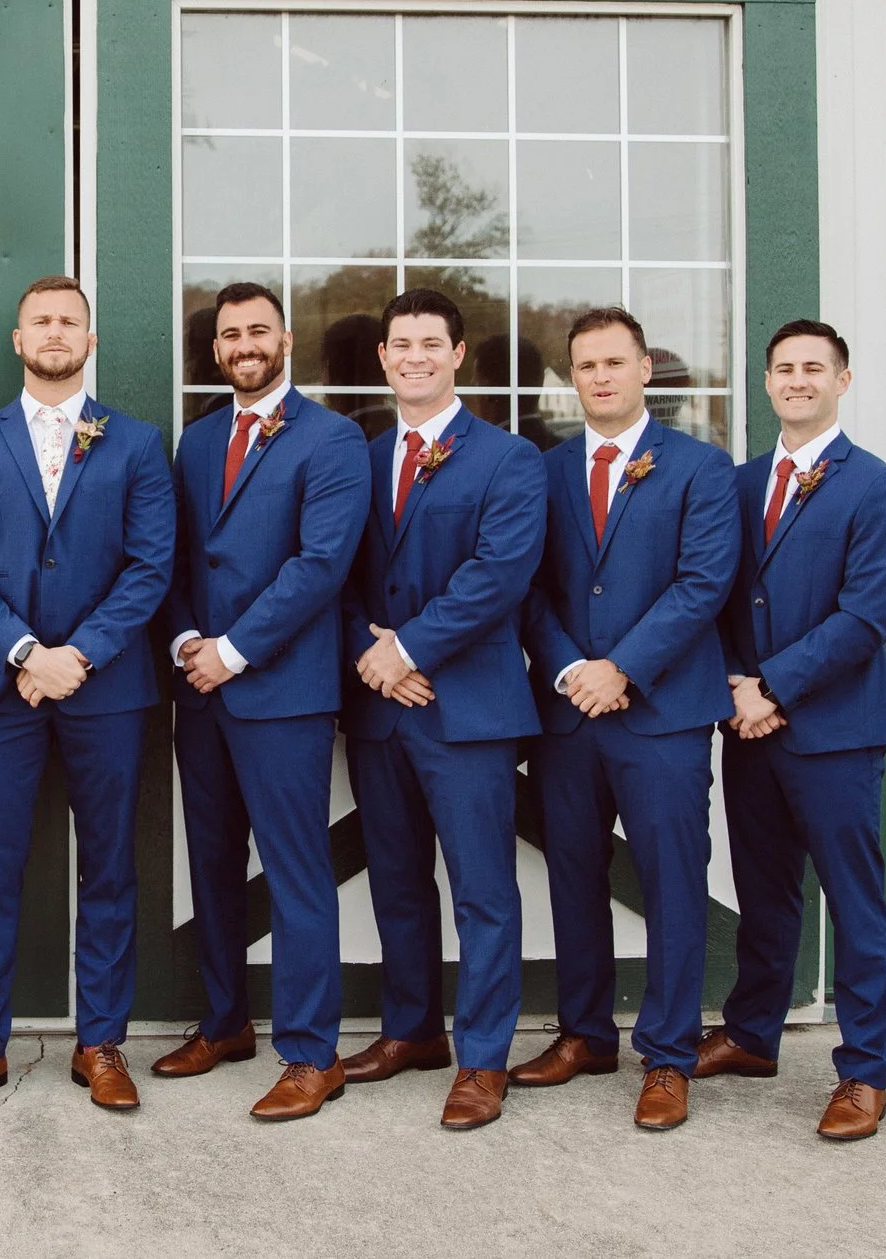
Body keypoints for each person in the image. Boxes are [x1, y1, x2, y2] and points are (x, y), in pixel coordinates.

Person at [0, 276, 176, 1114]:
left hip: (107, 691)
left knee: (108, 867)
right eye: (41, 320)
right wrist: (29, 652)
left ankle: (100, 1041)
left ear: (90, 339)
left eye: (70, 320)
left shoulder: (137, 444)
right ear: (18, 339)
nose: (56, 331)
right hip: (1, 690)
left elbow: (150, 566)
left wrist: (81, 655)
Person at [512, 307, 739, 1132]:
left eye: (615, 362)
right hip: (569, 711)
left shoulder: (701, 468)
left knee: (672, 882)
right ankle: (585, 1033)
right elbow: (527, 585)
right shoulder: (544, 469)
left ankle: (669, 1055)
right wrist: (572, 668)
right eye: (586, 365)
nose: (600, 376)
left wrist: (624, 668)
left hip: (662, 714)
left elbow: (703, 582)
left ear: (646, 369)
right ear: (572, 377)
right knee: (573, 876)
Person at [702, 318, 886, 1141]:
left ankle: (866, 1069)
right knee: (763, 892)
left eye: (813, 368)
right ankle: (753, 1034)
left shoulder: (879, 486)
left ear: (842, 380)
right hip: (748, 728)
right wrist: (735, 683)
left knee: (854, 902)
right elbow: (713, 592)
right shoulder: (739, 484)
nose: (797, 379)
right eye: (784, 368)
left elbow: (866, 614)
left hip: (834, 731)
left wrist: (773, 686)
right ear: (766, 382)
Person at [159, 282, 370, 1121]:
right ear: (215, 351)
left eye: (259, 330)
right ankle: (225, 1022)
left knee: (295, 871)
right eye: (230, 334)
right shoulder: (199, 439)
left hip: (282, 692)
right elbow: (179, 557)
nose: (244, 344)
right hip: (201, 691)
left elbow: (320, 565)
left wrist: (233, 650)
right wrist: (187, 640)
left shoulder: (333, 437)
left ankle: (313, 1052)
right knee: (211, 865)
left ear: (286, 340)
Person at [338, 289, 548, 1130]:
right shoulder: (359, 456)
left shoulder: (509, 459)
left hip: (468, 710)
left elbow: (498, 574)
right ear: (383, 357)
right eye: (402, 343)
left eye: (432, 342)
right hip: (381, 706)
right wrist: (371, 656)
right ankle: (412, 1029)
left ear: (458, 354)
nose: (415, 356)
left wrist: (409, 649)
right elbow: (333, 570)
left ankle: (483, 1058)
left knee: (482, 890)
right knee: (396, 881)